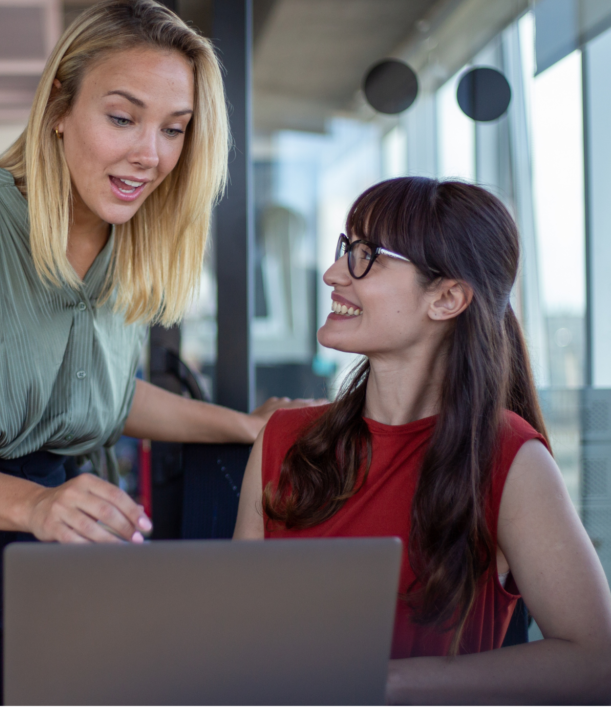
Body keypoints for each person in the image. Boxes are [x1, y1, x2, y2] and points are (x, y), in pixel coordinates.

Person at [0, 0, 312, 705]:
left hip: (38, 572)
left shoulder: (124, 244)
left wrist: (243, 426)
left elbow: (101, 394)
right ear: (58, 107)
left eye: (175, 129)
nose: (151, 153)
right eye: (122, 117)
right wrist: (37, 506)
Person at [235, 177, 611, 703]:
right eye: (346, 249)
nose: (332, 273)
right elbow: (233, 638)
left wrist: (381, 684)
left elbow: (594, 661)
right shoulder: (283, 440)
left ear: (447, 297)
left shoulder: (507, 456)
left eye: (367, 256)